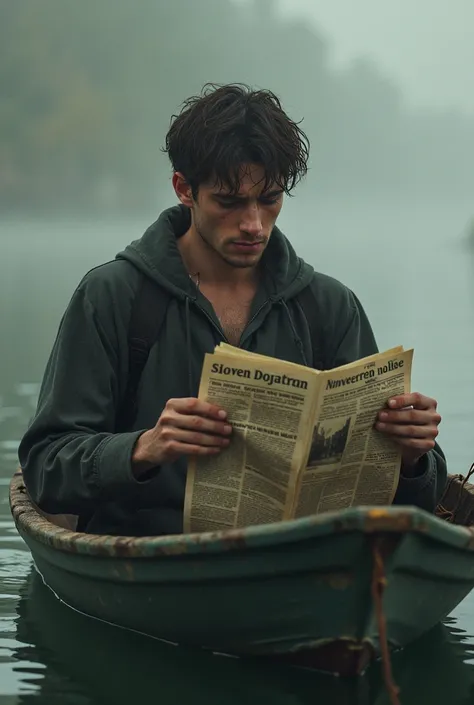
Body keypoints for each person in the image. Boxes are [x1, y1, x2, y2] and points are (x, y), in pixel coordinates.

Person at [18, 83, 446, 536]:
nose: (253, 224)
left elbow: (411, 499)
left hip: (299, 558)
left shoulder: (329, 307)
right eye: (229, 201)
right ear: (184, 188)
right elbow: (45, 470)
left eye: (270, 199)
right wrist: (144, 447)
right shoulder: (111, 296)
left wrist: (413, 454)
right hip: (146, 558)